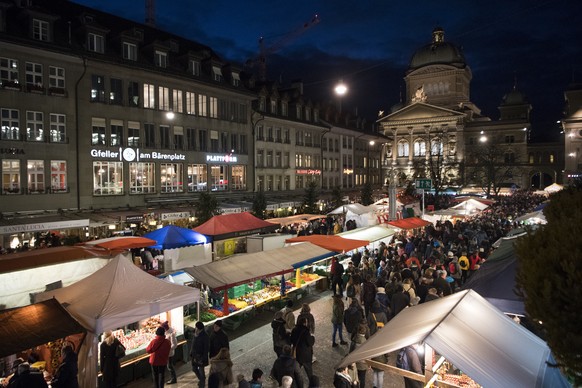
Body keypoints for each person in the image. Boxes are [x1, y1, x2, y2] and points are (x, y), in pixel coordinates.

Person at [290, 316, 315, 381]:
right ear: (304, 323)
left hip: (298, 354)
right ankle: (312, 384)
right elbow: (310, 343)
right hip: (306, 355)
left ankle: (294, 381)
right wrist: (313, 338)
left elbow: (292, 340)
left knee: (297, 370)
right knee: (309, 371)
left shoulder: (294, 330)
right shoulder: (306, 332)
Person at [191, 321, 210, 388]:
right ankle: (202, 380)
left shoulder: (205, 336)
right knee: (194, 369)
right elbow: (193, 344)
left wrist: (203, 358)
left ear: (198, 328)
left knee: (201, 372)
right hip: (195, 356)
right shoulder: (196, 333)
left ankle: (202, 385)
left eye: (196, 327)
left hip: (201, 357)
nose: (195, 328)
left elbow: (206, 349)